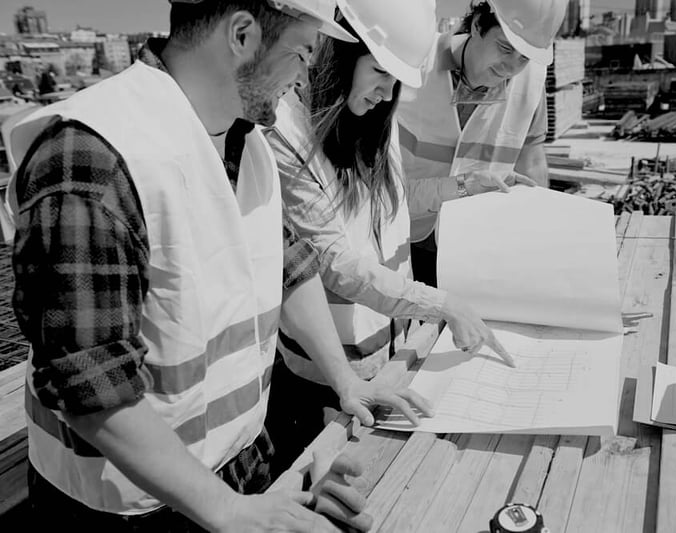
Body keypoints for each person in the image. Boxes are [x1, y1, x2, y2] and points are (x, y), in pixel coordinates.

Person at [7, 1, 427, 531]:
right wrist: (228, 511)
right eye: (301, 53)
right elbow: (88, 381)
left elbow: (289, 266)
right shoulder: (91, 155)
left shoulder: (242, 144)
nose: (303, 79)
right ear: (242, 35)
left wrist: (345, 381)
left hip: (233, 476)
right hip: (128, 508)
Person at [265, 0, 514, 475]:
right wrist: (441, 304)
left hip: (388, 355)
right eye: (380, 71)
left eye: (398, 80)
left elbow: (396, 202)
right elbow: (334, 261)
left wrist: (464, 186)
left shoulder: (374, 117)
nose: (387, 91)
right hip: (325, 374)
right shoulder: (287, 133)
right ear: (339, 56)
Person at [396, 0, 568, 287]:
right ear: (477, 25)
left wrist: (540, 233)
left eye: (524, 57)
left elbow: (532, 159)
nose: (511, 67)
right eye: (505, 48)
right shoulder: (416, 64)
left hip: (472, 241)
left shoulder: (531, 84)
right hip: (404, 232)